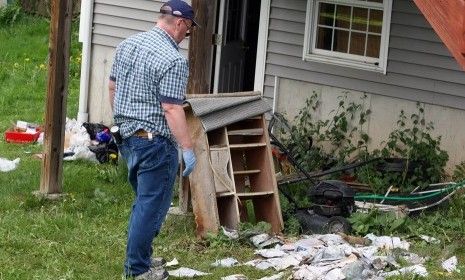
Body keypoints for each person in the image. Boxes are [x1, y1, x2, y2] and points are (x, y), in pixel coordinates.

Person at [108, 0, 198, 279]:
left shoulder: (128, 44)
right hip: (154, 143)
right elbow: (171, 108)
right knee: (151, 206)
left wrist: (126, 122)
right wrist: (187, 146)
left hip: (127, 138)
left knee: (144, 201)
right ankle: (137, 270)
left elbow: (112, 87)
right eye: (189, 31)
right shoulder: (173, 60)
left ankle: (141, 258)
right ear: (181, 23)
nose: (186, 37)